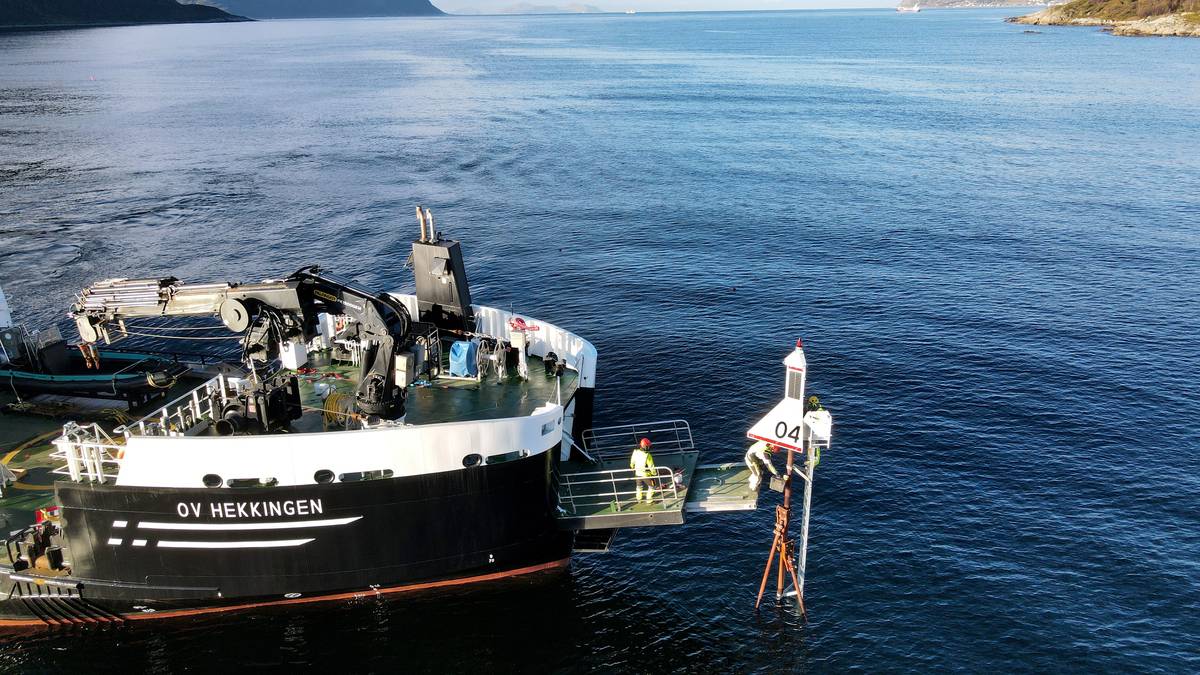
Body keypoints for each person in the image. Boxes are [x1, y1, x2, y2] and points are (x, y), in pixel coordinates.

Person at [630, 438, 656, 503]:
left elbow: (632, 463)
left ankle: (639, 499)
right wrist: (654, 473)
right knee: (652, 486)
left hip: (637, 474)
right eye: (648, 446)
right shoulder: (648, 455)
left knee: (639, 487)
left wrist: (632, 467)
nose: (649, 447)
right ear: (645, 446)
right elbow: (651, 466)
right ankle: (649, 500)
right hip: (646, 475)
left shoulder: (635, 452)